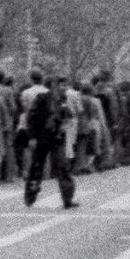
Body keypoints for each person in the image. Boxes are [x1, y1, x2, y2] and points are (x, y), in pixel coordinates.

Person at [21, 72, 80, 211]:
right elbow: (31, 118)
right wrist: (32, 137)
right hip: (41, 138)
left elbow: (67, 116)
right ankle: (30, 196)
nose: (64, 87)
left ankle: (67, 199)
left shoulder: (63, 99)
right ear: (53, 85)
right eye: (62, 84)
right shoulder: (42, 98)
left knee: (63, 167)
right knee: (36, 167)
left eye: (66, 84)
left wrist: (65, 123)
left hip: (57, 138)